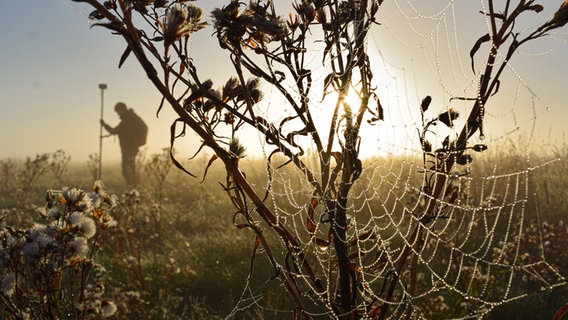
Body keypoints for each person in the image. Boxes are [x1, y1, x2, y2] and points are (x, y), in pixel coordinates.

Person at [101, 102, 147, 187]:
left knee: (128, 171)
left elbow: (114, 131)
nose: (117, 113)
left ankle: (132, 188)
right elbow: (116, 131)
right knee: (130, 170)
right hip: (130, 148)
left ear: (121, 110)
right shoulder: (129, 119)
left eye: (118, 111)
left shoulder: (127, 120)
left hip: (128, 149)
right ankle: (133, 188)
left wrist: (104, 125)